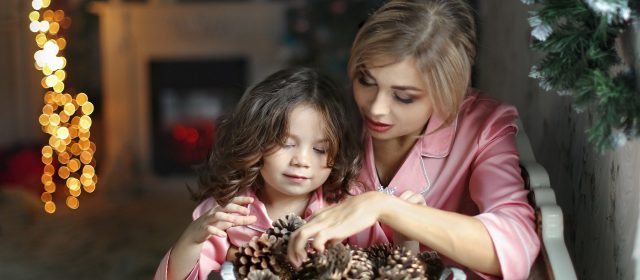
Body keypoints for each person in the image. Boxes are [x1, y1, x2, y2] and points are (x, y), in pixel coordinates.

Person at [287, 1, 541, 279]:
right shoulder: (332, 115)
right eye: (366, 81)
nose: (376, 108)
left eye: (404, 96)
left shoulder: (483, 126)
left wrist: (386, 207)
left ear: (448, 92)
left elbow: (515, 247)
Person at [154, 67, 383, 280]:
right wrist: (191, 239)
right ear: (257, 140)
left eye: (320, 149)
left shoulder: (347, 205)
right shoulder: (229, 210)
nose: (301, 161)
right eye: (286, 144)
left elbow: (386, 263)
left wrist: (406, 239)